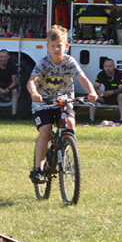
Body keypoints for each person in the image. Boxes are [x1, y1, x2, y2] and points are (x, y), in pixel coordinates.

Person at [27, 25, 97, 183]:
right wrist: (34, 94)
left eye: (59, 46)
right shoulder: (43, 63)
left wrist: (92, 92)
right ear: (48, 47)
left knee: (70, 123)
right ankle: (38, 169)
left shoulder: (70, 62)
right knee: (45, 131)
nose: (56, 49)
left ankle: (64, 147)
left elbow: (83, 78)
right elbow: (31, 81)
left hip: (64, 99)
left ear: (66, 46)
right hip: (43, 101)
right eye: (53, 46)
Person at [89, 57, 122, 124]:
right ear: (103, 67)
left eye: (110, 66)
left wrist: (111, 92)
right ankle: (91, 119)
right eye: (106, 66)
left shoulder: (119, 74)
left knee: (121, 96)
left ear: (114, 66)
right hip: (106, 96)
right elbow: (95, 87)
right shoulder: (101, 74)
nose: (108, 68)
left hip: (117, 97)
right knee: (93, 95)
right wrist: (100, 92)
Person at [0, 49, 19, 118]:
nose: (3, 59)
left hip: (9, 84)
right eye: (1, 57)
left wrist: (8, 88)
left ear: (8, 57)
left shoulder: (12, 65)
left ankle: (14, 114)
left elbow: (14, 81)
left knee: (14, 91)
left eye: (5, 57)